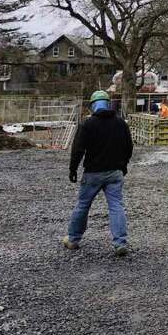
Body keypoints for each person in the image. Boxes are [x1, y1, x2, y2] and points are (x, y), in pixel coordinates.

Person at [64, 90, 133, 256]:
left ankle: (73, 239)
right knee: (116, 206)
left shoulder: (87, 124)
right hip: (115, 173)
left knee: (83, 205)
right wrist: (123, 165)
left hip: (93, 173)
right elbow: (129, 147)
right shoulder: (121, 123)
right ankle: (120, 242)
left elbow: (78, 150)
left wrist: (73, 169)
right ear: (108, 104)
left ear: (93, 105)